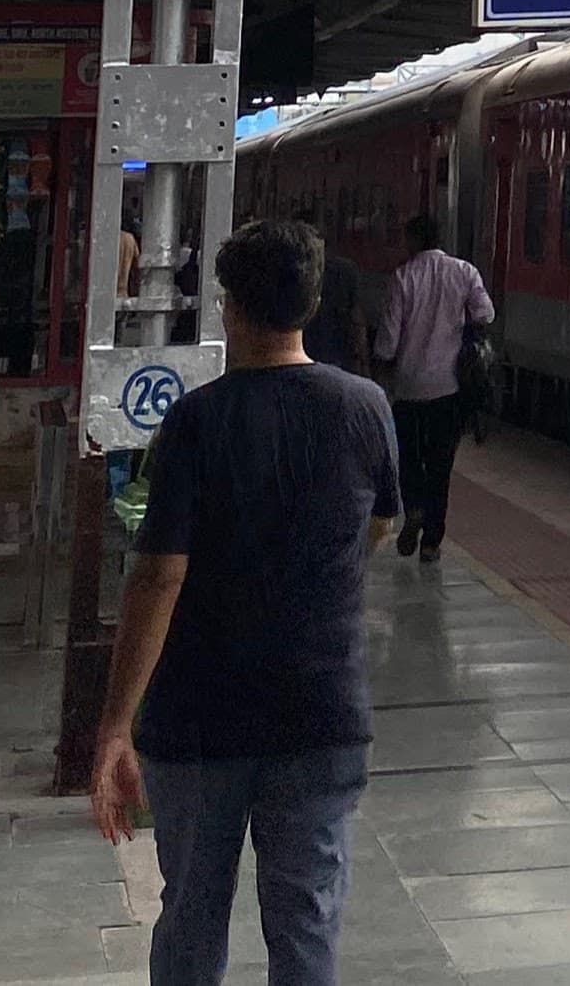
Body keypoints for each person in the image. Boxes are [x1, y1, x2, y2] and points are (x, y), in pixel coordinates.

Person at [89, 219, 401, 986]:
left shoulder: (196, 420)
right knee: (307, 920)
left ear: (227, 307)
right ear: (313, 304)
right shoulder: (364, 407)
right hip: (320, 710)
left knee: (192, 914)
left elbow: (159, 578)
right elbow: (381, 525)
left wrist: (115, 724)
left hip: (200, 717)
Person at [372, 213, 490, 565]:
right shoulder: (465, 272)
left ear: (413, 240)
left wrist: (382, 362)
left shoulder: (403, 277)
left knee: (409, 458)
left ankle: (414, 509)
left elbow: (387, 342)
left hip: (409, 388)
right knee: (441, 465)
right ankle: (432, 543)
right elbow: (485, 313)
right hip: (449, 388)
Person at [302, 232, 362, 372]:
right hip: (338, 354)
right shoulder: (346, 270)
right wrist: (361, 358)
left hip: (306, 352)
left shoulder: (295, 268)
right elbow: (356, 318)